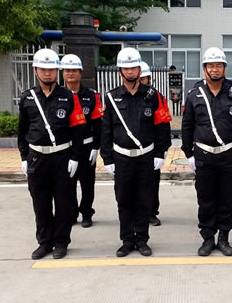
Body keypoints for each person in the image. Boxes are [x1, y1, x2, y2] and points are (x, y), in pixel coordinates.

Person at [100, 48, 171, 257]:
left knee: (144, 199)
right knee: (123, 200)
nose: (130, 71)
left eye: (133, 67)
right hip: (122, 158)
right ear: (120, 71)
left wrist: (160, 153)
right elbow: (106, 130)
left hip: (146, 157)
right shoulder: (111, 97)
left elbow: (162, 127)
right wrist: (107, 157)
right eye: (126, 68)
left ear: (140, 70)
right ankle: (126, 240)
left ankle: (141, 239)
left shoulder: (153, 96)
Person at [181, 47, 232, 257]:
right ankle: (207, 238)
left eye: (218, 65)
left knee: (228, 198)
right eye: (210, 66)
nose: (214, 69)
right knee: (206, 199)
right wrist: (189, 154)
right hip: (203, 156)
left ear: (224, 68)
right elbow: (187, 126)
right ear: (204, 69)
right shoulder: (194, 95)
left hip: (229, 154)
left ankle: (224, 238)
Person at [18, 48, 86, 260]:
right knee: (41, 202)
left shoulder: (69, 97)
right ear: (35, 70)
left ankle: (61, 242)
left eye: (51, 69)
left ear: (57, 71)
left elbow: (78, 130)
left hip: (62, 156)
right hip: (37, 157)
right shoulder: (27, 97)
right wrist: (23, 157)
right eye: (43, 69)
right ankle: (44, 242)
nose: (47, 73)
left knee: (64, 202)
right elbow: (22, 130)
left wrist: (75, 157)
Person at [61, 54, 104, 228]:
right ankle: (71, 213)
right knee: (67, 183)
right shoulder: (58, 96)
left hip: (86, 147)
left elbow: (98, 124)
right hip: (66, 148)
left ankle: (86, 212)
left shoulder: (91, 96)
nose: (70, 73)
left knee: (87, 184)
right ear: (62, 73)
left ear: (80, 72)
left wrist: (96, 147)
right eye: (67, 70)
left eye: (74, 70)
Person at [139, 61, 172, 227]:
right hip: (129, 150)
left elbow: (164, 125)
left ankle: (151, 212)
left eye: (143, 78)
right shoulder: (121, 96)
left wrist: (163, 148)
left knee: (151, 183)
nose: (140, 81)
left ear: (149, 79)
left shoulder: (157, 97)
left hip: (151, 148)